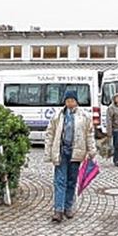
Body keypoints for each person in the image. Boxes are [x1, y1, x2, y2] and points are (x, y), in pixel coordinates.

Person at [44, 90, 97, 223]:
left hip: (76, 152)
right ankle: (58, 210)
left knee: (71, 181)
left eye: (72, 100)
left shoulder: (84, 116)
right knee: (59, 181)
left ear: (76, 101)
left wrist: (92, 151)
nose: (70, 103)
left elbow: (89, 135)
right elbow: (50, 134)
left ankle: (68, 207)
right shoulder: (58, 115)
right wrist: (48, 152)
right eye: (67, 100)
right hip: (61, 152)